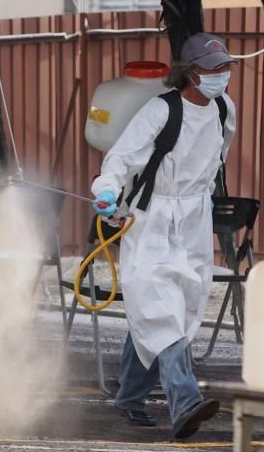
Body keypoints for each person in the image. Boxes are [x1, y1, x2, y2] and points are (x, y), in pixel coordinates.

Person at [91, 32, 237, 439]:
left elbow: (214, 158)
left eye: (225, 67)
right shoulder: (160, 110)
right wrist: (107, 190)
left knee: (179, 308)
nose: (222, 76)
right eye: (213, 69)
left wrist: (203, 199)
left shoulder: (225, 109)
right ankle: (184, 401)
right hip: (153, 218)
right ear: (191, 74)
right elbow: (121, 156)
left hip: (193, 220)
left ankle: (130, 397)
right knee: (159, 306)